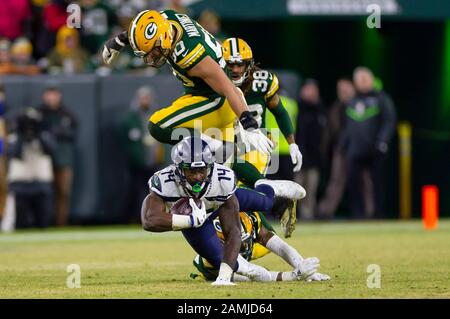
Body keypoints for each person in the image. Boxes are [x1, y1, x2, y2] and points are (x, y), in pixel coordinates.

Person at [101, 10, 274, 186]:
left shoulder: (192, 56)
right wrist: (119, 40)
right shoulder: (167, 19)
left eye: (153, 51)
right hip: (199, 95)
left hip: (216, 100)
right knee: (227, 164)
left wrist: (249, 124)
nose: (150, 57)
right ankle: (271, 191)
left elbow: (230, 89)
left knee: (158, 126)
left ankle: (212, 145)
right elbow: (142, 27)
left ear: (166, 38)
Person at [141, 136, 312, 285]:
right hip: (199, 222)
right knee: (243, 269)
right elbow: (149, 220)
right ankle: (267, 272)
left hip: (217, 202)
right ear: (178, 169)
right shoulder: (164, 181)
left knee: (266, 202)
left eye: (202, 170)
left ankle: (271, 187)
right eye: (191, 170)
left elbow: (233, 232)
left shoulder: (222, 181)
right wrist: (191, 221)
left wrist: (299, 266)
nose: (198, 176)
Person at [221, 37, 303, 236]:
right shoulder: (214, 82)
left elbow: (280, 112)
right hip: (229, 143)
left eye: (240, 64)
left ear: (249, 64)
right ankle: (279, 204)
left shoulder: (263, 82)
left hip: (257, 143)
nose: (236, 69)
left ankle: (259, 236)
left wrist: (292, 144)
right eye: (231, 64)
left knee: (242, 194)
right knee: (230, 193)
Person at [191, 210, 331, 283]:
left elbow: (280, 246)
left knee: (270, 238)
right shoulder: (213, 255)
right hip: (221, 267)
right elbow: (255, 274)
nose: (245, 245)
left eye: (244, 239)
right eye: (239, 242)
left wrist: (306, 268)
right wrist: (295, 275)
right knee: (251, 271)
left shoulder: (250, 219)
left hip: (249, 250)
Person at [340, 67, 397, 219]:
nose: (362, 82)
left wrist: (383, 141)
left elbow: (389, 121)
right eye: (359, 79)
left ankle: (378, 214)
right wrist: (343, 144)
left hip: (375, 149)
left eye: (365, 78)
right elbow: (348, 126)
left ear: (371, 80)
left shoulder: (381, 99)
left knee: (376, 184)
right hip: (355, 150)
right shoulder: (352, 101)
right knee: (354, 184)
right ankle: (358, 215)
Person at [120, 86, 164, 222]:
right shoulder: (131, 117)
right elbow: (127, 138)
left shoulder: (155, 115)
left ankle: (154, 216)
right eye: (143, 98)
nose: (145, 101)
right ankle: (132, 218)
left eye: (147, 98)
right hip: (138, 161)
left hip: (153, 161)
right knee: (134, 191)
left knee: (154, 192)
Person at [7, 107, 55, 229]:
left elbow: (50, 150)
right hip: (21, 183)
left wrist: (38, 133)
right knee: (21, 223)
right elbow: (14, 154)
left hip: (41, 182)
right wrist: (21, 135)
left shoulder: (44, 134)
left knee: (42, 223)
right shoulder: (15, 136)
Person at [38, 84, 78, 226]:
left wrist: (57, 132)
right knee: (43, 192)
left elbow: (73, 133)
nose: (51, 97)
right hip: (42, 158)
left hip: (63, 158)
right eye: (49, 94)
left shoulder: (67, 114)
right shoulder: (39, 112)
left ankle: (61, 222)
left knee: (63, 192)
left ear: (59, 95)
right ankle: (43, 222)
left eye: (54, 94)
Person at [294, 79, 327, 220]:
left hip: (315, 158)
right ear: (302, 91)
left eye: (314, 90)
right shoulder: (297, 108)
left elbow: (325, 135)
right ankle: (292, 217)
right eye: (308, 89)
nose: (311, 93)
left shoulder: (321, 109)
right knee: (295, 190)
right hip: (298, 157)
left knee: (311, 190)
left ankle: (308, 217)